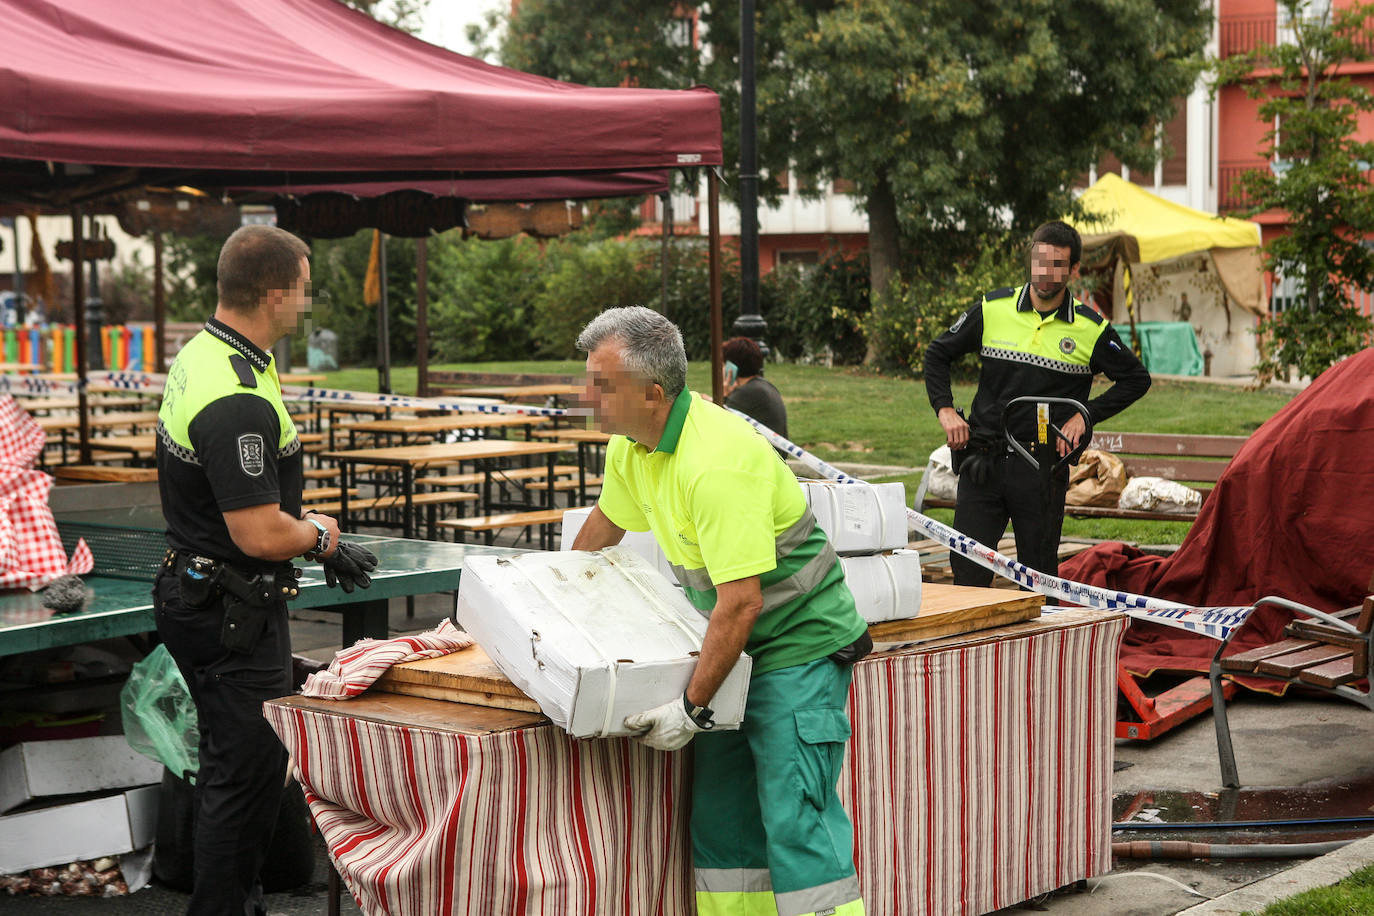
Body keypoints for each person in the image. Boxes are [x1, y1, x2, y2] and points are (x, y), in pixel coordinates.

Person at [571, 306, 870, 916]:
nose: (587, 397)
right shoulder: (634, 447)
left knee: (795, 819)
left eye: (603, 386)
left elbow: (742, 603)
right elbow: (603, 528)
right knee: (724, 822)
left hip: (796, 650)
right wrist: (545, 606)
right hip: (733, 651)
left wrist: (690, 707)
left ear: (653, 394)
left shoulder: (716, 465)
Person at [154, 225, 377, 916]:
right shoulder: (237, 394)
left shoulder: (210, 351)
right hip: (231, 610)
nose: (307, 303)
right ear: (276, 293)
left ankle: (237, 901)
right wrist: (320, 536)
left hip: (206, 593)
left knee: (238, 763)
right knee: (243, 775)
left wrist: (304, 529)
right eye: (304, 290)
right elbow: (256, 531)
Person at [923, 221, 1151, 587]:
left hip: (1042, 468)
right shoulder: (994, 308)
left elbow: (1137, 380)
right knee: (967, 573)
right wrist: (945, 408)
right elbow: (937, 353)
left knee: (1040, 580)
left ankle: (1042, 646)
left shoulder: (1090, 329)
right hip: (983, 461)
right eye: (1040, 261)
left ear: (1074, 270)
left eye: (1057, 264)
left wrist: (1085, 415)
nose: (1046, 272)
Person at [723, 335, 788, 440]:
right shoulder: (763, 385)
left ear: (732, 367)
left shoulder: (746, 393)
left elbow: (720, 424)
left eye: (724, 364)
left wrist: (725, 394)